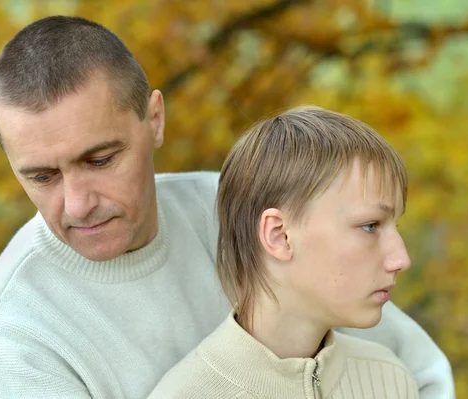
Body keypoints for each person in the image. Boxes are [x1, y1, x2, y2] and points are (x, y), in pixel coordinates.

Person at [0, 15, 454, 399]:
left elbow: (416, 370)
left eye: (101, 159)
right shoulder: (12, 339)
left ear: (154, 119)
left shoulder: (230, 208)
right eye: (41, 177)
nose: (78, 203)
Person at [148, 106, 420, 399]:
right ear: (279, 235)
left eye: (395, 225)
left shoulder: (391, 380)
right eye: (370, 226)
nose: (401, 259)